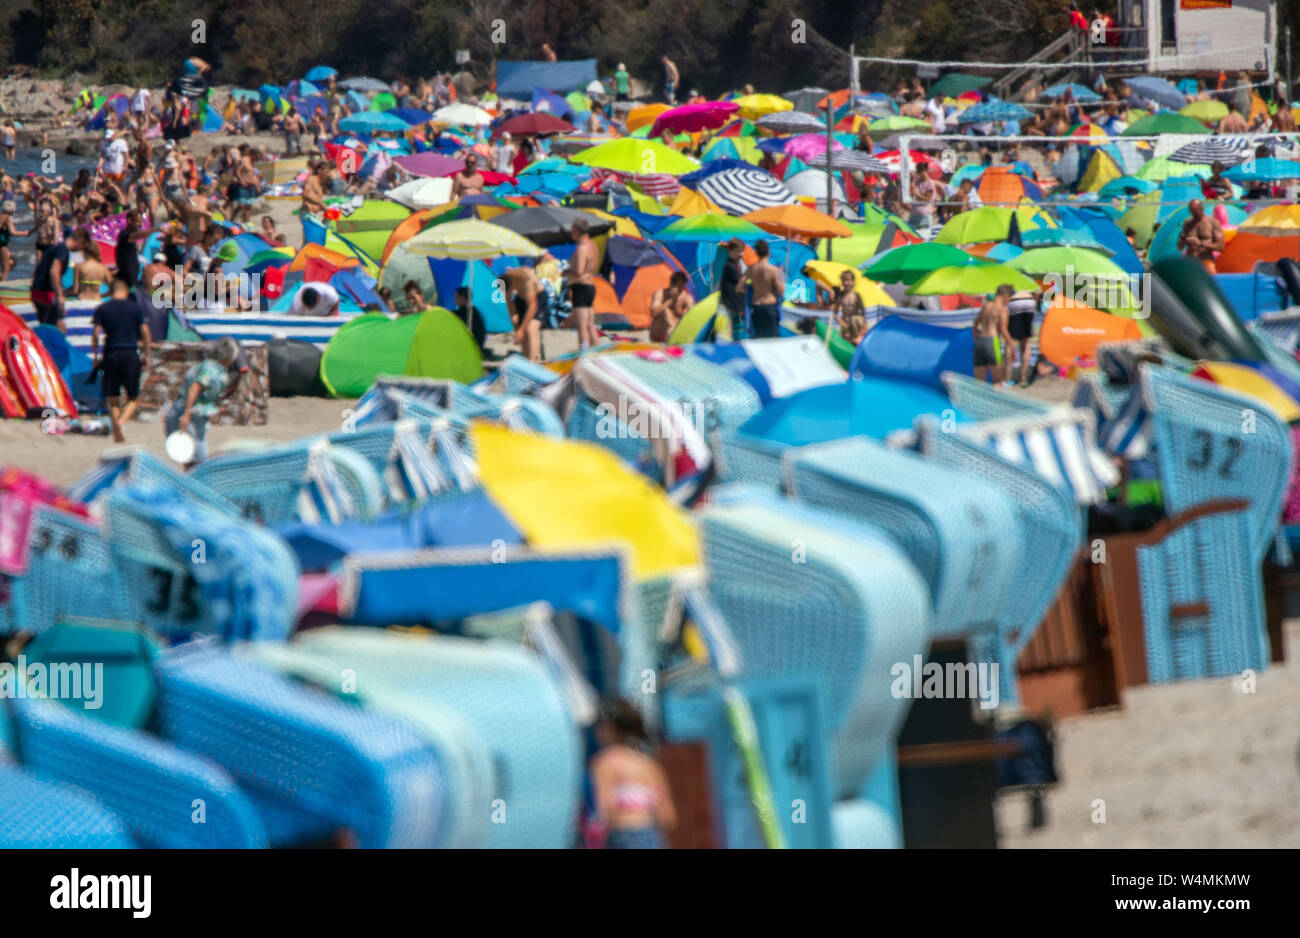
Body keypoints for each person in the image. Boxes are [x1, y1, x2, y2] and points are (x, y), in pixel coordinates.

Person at [589, 698, 677, 850]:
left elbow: (605, 811)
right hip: (651, 837)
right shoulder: (649, 766)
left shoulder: (604, 762)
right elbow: (668, 816)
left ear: (608, 728)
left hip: (621, 837)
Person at [91, 277, 151, 443]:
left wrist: (96, 356)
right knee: (133, 398)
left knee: (112, 398)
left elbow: (96, 333)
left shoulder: (103, 308)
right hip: (130, 354)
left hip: (110, 354)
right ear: (125, 291)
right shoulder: (135, 308)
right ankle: (120, 423)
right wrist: (146, 355)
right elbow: (145, 332)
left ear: (111, 292)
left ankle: (117, 427)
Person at [165, 337, 243, 465]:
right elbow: (195, 388)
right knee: (199, 459)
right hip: (191, 416)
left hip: (189, 414)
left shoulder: (209, 366)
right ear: (228, 356)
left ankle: (188, 482)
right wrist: (186, 415)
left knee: (191, 457)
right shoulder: (211, 370)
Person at [31, 228, 85, 330]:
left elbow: (39, 269)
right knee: (58, 328)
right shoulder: (62, 249)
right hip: (47, 293)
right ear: (80, 241)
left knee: (45, 327)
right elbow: (54, 271)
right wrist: (59, 295)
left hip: (36, 291)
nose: (81, 249)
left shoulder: (52, 248)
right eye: (83, 246)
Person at [566, 217, 599, 349]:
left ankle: (583, 354)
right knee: (590, 325)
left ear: (576, 230)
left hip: (580, 287)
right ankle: (598, 352)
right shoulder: (593, 246)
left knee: (581, 326)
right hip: (590, 285)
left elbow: (579, 271)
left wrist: (565, 271)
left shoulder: (582, 248)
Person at [742, 239, 785, 338]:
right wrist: (782, 277)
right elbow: (780, 291)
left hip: (756, 307)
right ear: (768, 253)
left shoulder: (751, 270)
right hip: (770, 306)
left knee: (758, 340)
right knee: (771, 340)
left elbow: (742, 287)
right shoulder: (774, 270)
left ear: (756, 253)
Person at [504, 263, 546, 361]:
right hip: (521, 300)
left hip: (538, 299)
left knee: (530, 329)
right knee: (522, 333)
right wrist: (516, 328)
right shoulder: (506, 283)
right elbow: (510, 305)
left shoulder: (525, 279)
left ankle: (533, 361)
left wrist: (521, 330)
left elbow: (533, 306)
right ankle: (526, 360)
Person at [974, 284, 1014, 383]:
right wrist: (1011, 344)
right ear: (1005, 296)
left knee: (979, 382)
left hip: (979, 342)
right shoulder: (1002, 309)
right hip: (992, 341)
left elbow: (975, 324)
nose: (1008, 301)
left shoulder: (986, 305)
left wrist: (976, 335)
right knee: (997, 381)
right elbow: (1003, 329)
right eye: (1009, 298)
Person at [1178, 198, 1224, 273]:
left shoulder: (1213, 222)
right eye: (1192, 212)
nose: (1194, 214)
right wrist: (1183, 239)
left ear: (1202, 208)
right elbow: (1180, 247)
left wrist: (1200, 244)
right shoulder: (1187, 223)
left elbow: (1221, 247)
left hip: (1206, 261)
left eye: (1196, 211)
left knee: (1213, 280)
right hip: (1190, 262)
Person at [1007, 289, 1038, 386]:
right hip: (1029, 301)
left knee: (1010, 342)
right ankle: (1023, 378)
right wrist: (1034, 302)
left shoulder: (1010, 277)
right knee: (1025, 342)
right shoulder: (1026, 280)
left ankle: (1007, 379)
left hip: (1015, 301)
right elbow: (1037, 292)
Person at [649, 271, 692, 342]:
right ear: (671, 284)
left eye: (682, 287)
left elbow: (692, 314)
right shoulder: (660, 294)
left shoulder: (686, 297)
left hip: (676, 331)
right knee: (666, 311)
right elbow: (654, 313)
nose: (679, 290)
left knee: (684, 318)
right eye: (678, 287)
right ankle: (672, 332)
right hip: (659, 332)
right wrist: (671, 299)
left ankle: (673, 334)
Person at [718, 238, 747, 338]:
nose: (741, 254)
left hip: (736, 304)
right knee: (737, 331)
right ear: (731, 251)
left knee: (739, 330)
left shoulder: (735, 264)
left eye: (742, 252)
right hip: (733, 305)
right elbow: (740, 281)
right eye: (738, 252)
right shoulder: (729, 266)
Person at [450, 285, 488, 354]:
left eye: (456, 296)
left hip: (472, 348)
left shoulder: (468, 313)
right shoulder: (471, 310)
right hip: (477, 346)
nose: (454, 299)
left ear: (462, 298)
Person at [0, 200, 31, 280]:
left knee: (8, 264)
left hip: (3, 244)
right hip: (2, 244)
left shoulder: (2, 216)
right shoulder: (7, 218)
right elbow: (13, 232)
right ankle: (2, 285)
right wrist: (24, 233)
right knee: (6, 266)